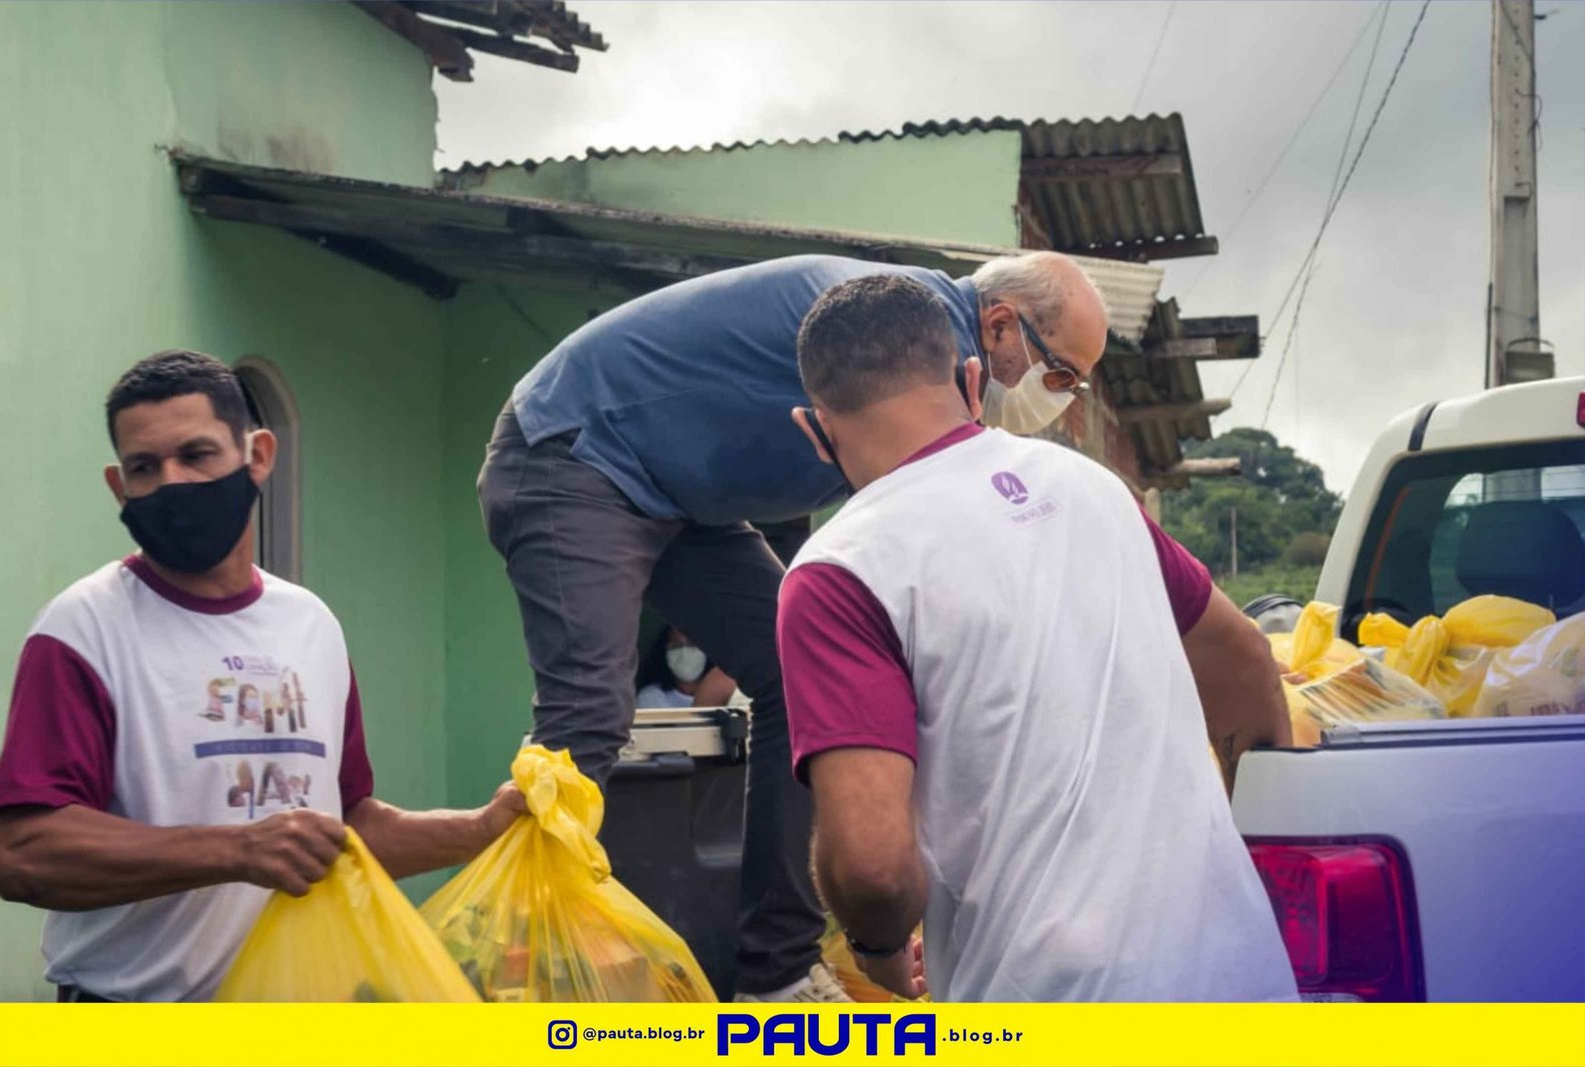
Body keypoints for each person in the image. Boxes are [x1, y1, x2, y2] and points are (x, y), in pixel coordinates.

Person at [476, 251, 1287, 1002]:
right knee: (586, 716)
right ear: (985, 356)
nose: (1061, 400)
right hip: (573, 451)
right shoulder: (884, 326)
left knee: (791, 678)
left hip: (685, 497)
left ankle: (775, 968)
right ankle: (524, 954)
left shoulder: (936, 447)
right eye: (1060, 373)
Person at [776, 274, 1297, 1002]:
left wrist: (884, 957)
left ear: (815, 429)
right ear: (966, 378)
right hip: (1243, 977)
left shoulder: (840, 572)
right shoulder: (1096, 489)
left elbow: (874, 868)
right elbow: (1243, 658)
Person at [0, 350, 527, 1002]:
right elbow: (26, 854)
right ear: (117, 485)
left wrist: (480, 830)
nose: (172, 482)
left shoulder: (309, 625)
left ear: (259, 455)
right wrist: (235, 849)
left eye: (197, 454)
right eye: (144, 467)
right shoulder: (81, 630)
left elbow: (348, 826)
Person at [635, 626, 748, 710]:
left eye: (692, 645)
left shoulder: (724, 682)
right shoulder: (651, 697)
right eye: (676, 645)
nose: (685, 652)